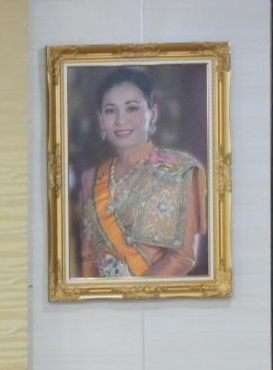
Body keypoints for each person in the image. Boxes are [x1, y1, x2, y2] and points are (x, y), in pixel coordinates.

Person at [70, 66, 208, 283]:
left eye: (132, 108)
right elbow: (89, 258)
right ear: (100, 119)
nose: (120, 120)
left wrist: (132, 294)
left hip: (156, 298)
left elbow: (183, 258)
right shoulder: (91, 178)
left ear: (153, 113)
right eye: (110, 110)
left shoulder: (180, 171)